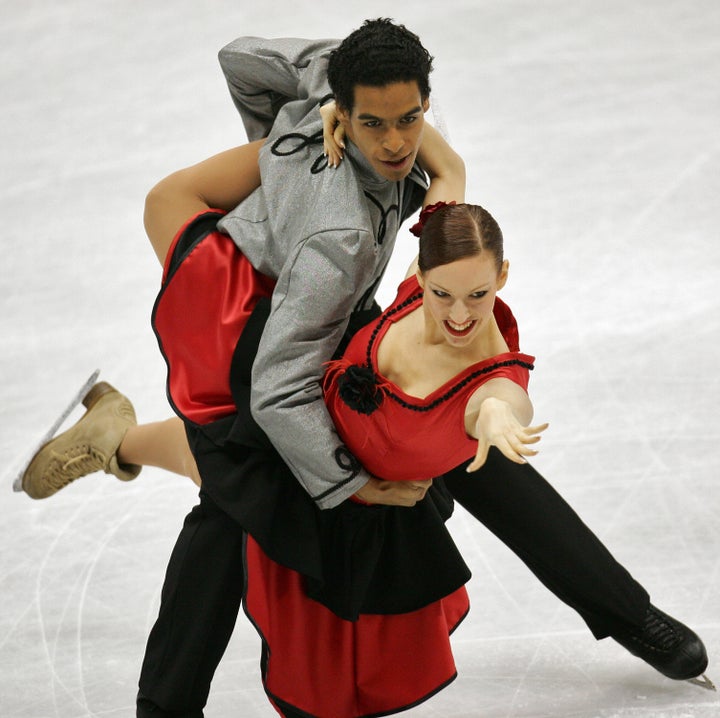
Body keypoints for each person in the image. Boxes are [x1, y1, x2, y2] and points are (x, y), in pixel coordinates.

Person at [18, 18, 713, 717]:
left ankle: (114, 438)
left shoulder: (348, 122)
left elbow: (247, 58)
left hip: (290, 283)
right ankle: (162, 704)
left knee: (457, 439)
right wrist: (351, 482)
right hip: (253, 318)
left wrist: (442, 165)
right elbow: (278, 386)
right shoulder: (339, 237)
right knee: (240, 493)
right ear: (343, 114)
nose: (394, 142)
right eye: (372, 122)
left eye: (409, 119)